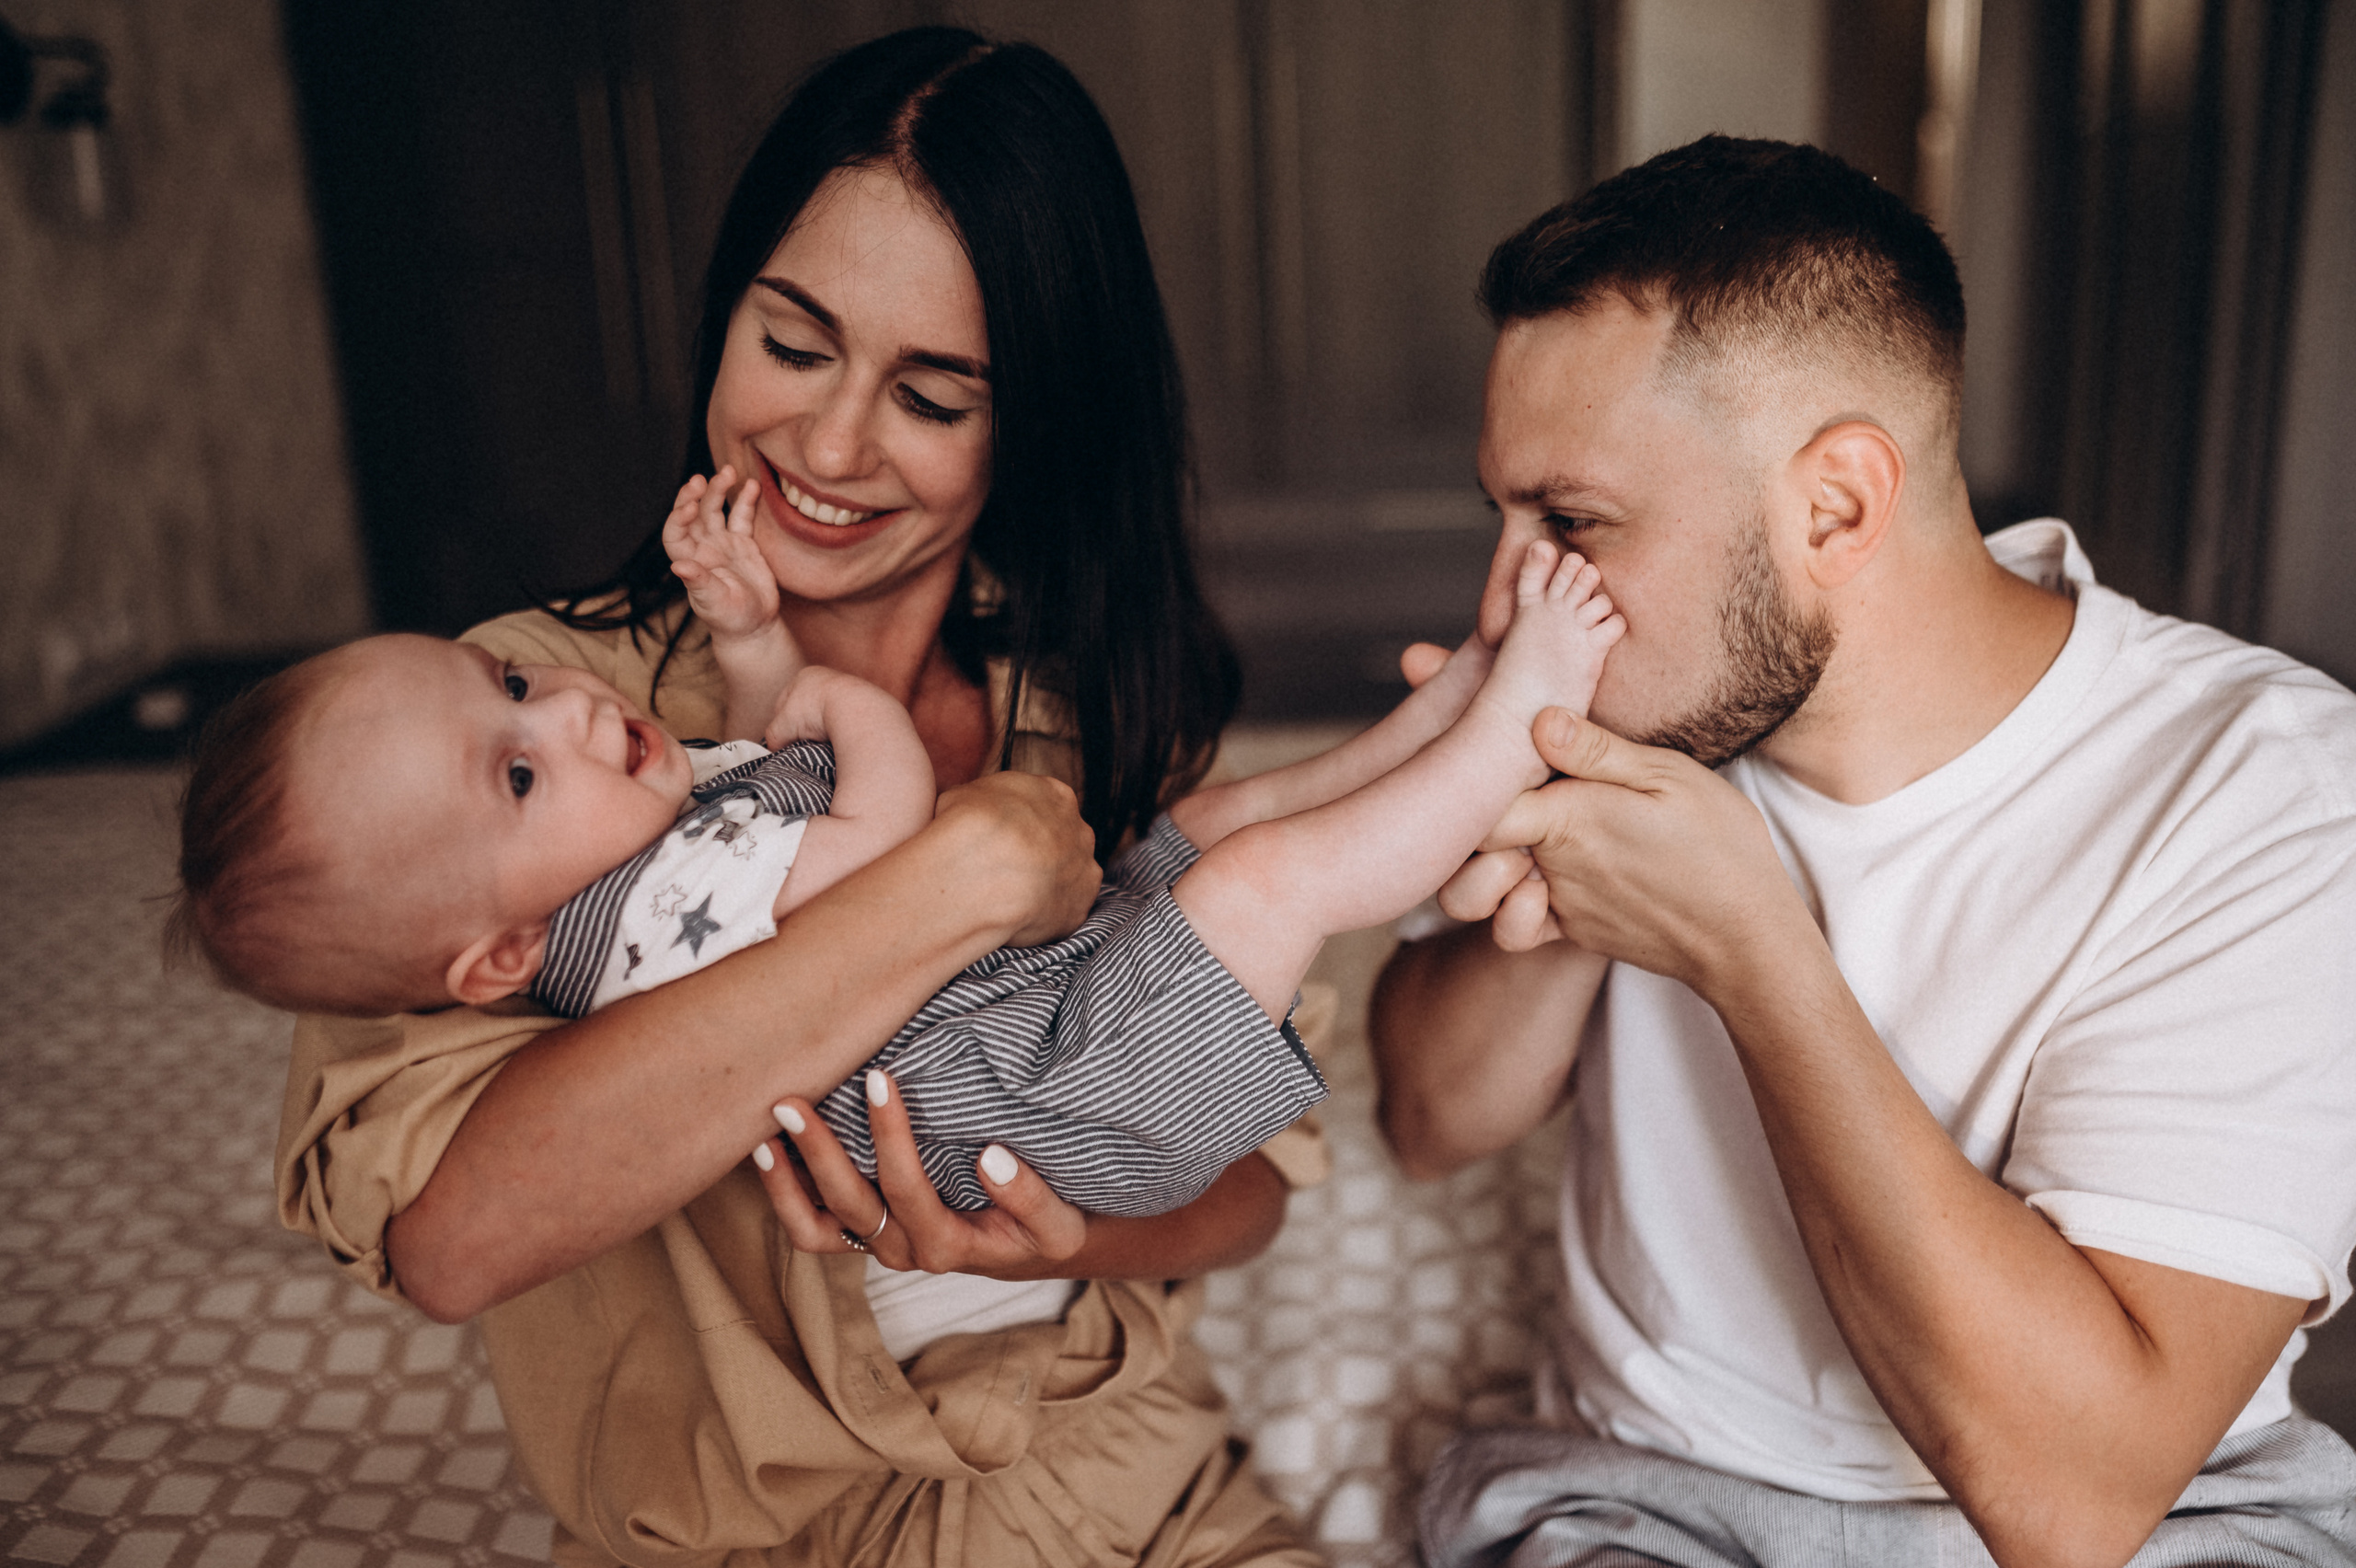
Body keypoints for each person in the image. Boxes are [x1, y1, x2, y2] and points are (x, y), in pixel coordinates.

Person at [266, 28, 1337, 1566]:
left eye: (934, 398)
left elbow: (1254, 1186)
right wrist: (954, 883)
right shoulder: (516, 725)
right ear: (726, 319)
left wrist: (1067, 1231)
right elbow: (451, 1237)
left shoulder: (1092, 717)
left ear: (1030, 423)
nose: (829, 445)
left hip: (1114, 1477)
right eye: (792, 345)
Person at [1372, 136, 2356, 1568]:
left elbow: (2076, 1501)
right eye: (1507, 519)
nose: (1508, 601)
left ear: (1835, 505)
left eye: (1572, 522)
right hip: (1654, 1502)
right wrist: (1575, 836)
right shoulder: (1654, 694)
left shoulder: (2267, 790)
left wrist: (1749, 949)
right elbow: (1425, 1120)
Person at [180, 479, 1618, 1212]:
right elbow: (878, 838)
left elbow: (767, 773)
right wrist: (846, 704)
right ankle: (1506, 737)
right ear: (497, 956)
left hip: (1041, 1007)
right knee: (1263, 878)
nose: (559, 707)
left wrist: (754, 647)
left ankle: (1434, 722)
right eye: (514, 773)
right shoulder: (648, 916)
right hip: (1051, 1088)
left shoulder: (617, 859)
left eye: (508, 683)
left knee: (1211, 825)